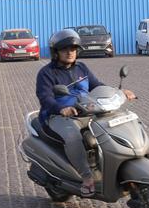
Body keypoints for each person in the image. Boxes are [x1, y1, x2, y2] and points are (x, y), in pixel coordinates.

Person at [36, 28, 137, 196]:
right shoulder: (46, 73)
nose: (70, 53)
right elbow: (45, 98)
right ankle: (87, 177)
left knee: (111, 125)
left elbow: (97, 85)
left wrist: (119, 92)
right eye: (65, 49)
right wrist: (62, 109)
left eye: (73, 49)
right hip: (57, 116)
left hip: (85, 111)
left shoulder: (81, 68)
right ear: (56, 52)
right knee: (73, 136)